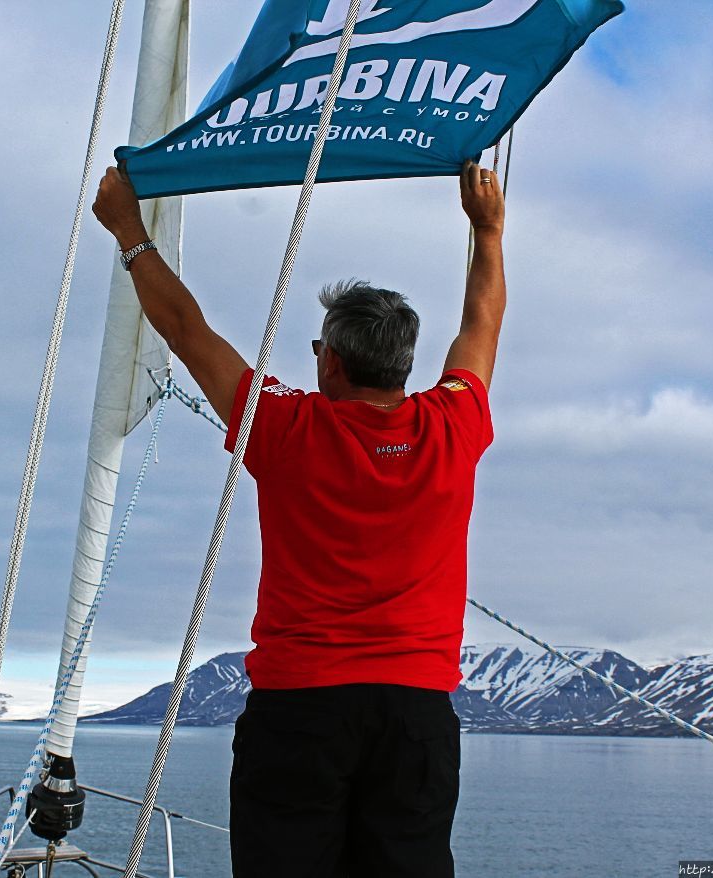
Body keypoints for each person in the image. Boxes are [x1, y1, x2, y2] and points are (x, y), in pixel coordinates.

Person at [92, 159, 505, 878]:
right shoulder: (454, 424)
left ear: (335, 364)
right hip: (415, 717)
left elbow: (188, 332)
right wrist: (488, 231)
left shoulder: (286, 430)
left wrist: (129, 231)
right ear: (404, 365)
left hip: (301, 712)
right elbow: (482, 320)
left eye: (320, 350)